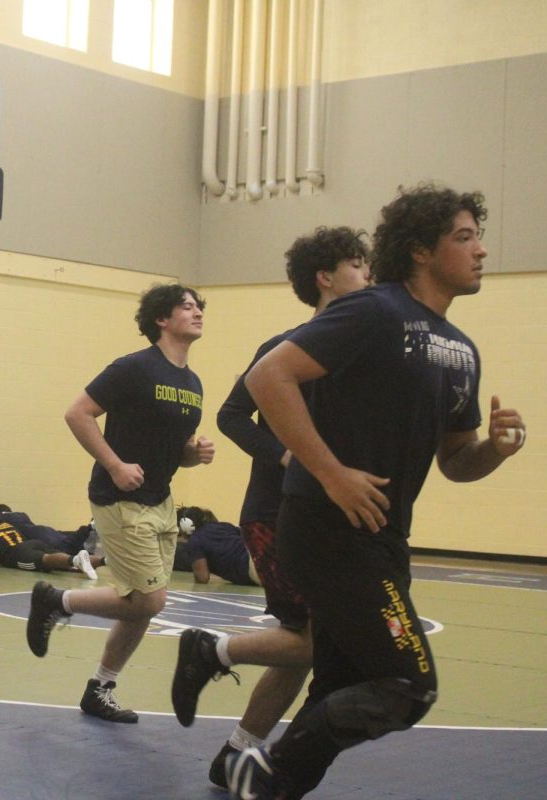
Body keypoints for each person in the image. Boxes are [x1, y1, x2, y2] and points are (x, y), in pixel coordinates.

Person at [225, 185, 526, 800]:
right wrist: (332, 472)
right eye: (464, 237)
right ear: (420, 250)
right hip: (325, 528)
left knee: (341, 684)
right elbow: (266, 377)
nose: (482, 250)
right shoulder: (374, 311)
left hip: (382, 537)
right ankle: (267, 774)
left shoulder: (461, 352)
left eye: (478, 236)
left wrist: (495, 449)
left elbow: (456, 462)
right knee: (408, 684)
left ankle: (264, 783)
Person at [171, 226, 374, 788]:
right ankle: (213, 649)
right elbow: (233, 415)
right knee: (312, 639)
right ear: (324, 277)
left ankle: (236, 753)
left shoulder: (360, 356)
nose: (369, 276)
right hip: (276, 512)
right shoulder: (285, 347)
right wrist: (286, 457)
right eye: (358, 265)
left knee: (303, 647)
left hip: (327, 517)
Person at [25, 283, 216, 724]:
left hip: (161, 501)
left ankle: (101, 688)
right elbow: (78, 413)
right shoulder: (134, 367)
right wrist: (113, 464)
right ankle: (56, 600)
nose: (196, 312)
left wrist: (194, 454)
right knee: (149, 601)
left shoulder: (192, 382)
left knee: (138, 603)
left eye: (198, 306)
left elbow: (172, 450)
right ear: (161, 320)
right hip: (120, 499)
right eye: (185, 307)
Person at [0, 510, 102, 578]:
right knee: (60, 561)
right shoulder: (8, 525)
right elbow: (3, 545)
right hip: (33, 542)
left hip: (20, 553)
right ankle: (104, 561)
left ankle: (76, 559)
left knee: (47, 560)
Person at [172, 506, 259, 586]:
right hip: (259, 553)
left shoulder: (195, 541)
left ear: (185, 525)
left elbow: (203, 578)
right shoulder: (224, 525)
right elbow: (248, 537)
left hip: (253, 567)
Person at [0, 500, 93, 556]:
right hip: (56, 535)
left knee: (69, 547)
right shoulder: (20, 515)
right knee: (69, 540)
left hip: (56, 547)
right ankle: (87, 532)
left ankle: (89, 528)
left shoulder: (1, 525)